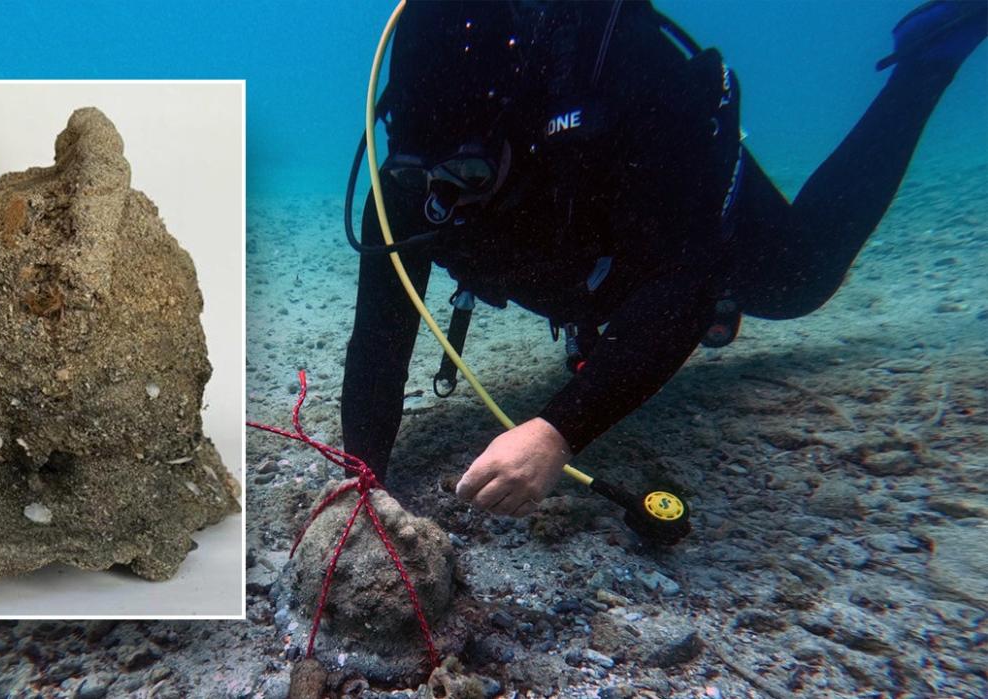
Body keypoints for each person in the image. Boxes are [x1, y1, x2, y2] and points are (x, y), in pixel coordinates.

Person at [341, 0, 986, 518]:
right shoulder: (415, 177)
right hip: (585, 266)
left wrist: (558, 431)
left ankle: (925, 62)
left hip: (678, 218)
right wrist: (360, 474)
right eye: (417, 175)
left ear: (520, 138)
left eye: (467, 174)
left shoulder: (629, 96)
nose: (441, 202)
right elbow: (380, 332)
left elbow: (686, 285)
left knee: (802, 280)